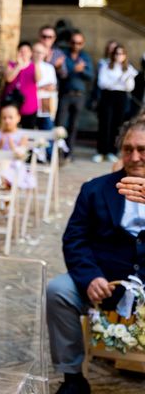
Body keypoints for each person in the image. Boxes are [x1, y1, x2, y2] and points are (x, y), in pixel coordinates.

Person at [47, 117, 145, 394]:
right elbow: (74, 239)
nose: (134, 157)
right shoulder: (95, 189)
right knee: (58, 291)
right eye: (128, 149)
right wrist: (90, 277)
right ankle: (73, 376)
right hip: (104, 279)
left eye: (142, 149)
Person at [93, 44, 138, 164]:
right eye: (117, 53)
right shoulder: (106, 66)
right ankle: (101, 151)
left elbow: (129, 87)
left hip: (121, 96)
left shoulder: (128, 68)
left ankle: (112, 151)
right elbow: (103, 83)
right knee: (105, 123)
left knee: (117, 123)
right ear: (113, 55)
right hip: (108, 95)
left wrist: (122, 81)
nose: (119, 56)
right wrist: (118, 82)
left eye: (122, 53)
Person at [56, 30, 94, 160]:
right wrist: (74, 69)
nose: (76, 45)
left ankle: (69, 152)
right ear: (69, 43)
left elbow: (90, 75)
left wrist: (81, 70)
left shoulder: (85, 57)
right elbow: (62, 74)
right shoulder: (64, 55)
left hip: (79, 95)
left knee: (73, 125)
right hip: (65, 94)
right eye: (73, 42)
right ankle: (58, 152)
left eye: (79, 43)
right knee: (61, 124)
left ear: (82, 44)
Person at [2, 41, 39, 129]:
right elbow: (8, 78)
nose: (24, 53)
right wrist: (18, 66)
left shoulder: (34, 66)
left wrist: (36, 63)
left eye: (26, 51)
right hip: (12, 103)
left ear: (30, 53)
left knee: (28, 129)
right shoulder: (11, 65)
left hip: (29, 104)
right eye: (21, 51)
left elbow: (38, 79)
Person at [33, 41, 58, 131]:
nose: (38, 55)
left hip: (46, 103)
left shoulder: (49, 67)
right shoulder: (28, 65)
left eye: (41, 52)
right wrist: (41, 87)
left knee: (46, 130)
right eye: (36, 52)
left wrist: (39, 87)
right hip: (31, 102)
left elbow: (52, 86)